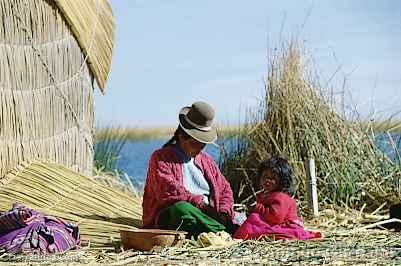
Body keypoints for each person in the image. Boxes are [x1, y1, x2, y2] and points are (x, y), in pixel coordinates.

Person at [142, 101, 239, 237]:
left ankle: (216, 228)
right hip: (176, 216)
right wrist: (202, 206)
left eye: (203, 145)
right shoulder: (160, 158)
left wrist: (223, 212)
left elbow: (224, 189)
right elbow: (169, 191)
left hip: (209, 215)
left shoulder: (207, 161)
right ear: (181, 137)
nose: (199, 149)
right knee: (181, 209)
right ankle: (223, 231)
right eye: (195, 144)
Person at [233, 155, 321, 240]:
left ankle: (242, 235)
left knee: (254, 218)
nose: (267, 180)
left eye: (272, 178)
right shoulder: (268, 194)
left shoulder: (280, 197)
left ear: (282, 180)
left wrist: (257, 208)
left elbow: (276, 217)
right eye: (265, 177)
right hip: (276, 224)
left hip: (285, 226)